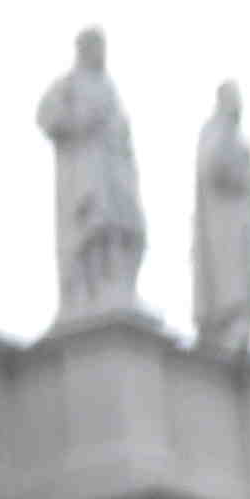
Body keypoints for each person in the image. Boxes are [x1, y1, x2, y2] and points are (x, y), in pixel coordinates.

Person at [36, 29, 145, 321]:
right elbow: (46, 117)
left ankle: (118, 284)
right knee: (93, 226)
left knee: (124, 227)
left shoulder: (108, 87)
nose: (101, 53)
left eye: (103, 47)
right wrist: (77, 123)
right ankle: (94, 289)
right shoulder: (69, 85)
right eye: (96, 46)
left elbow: (120, 130)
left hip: (115, 169)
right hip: (85, 167)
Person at [193, 83, 250, 356]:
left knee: (243, 274)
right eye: (233, 100)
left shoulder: (239, 140)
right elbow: (213, 168)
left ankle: (239, 328)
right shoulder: (215, 134)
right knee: (228, 275)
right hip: (222, 221)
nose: (237, 107)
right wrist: (236, 170)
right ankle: (224, 326)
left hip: (241, 219)